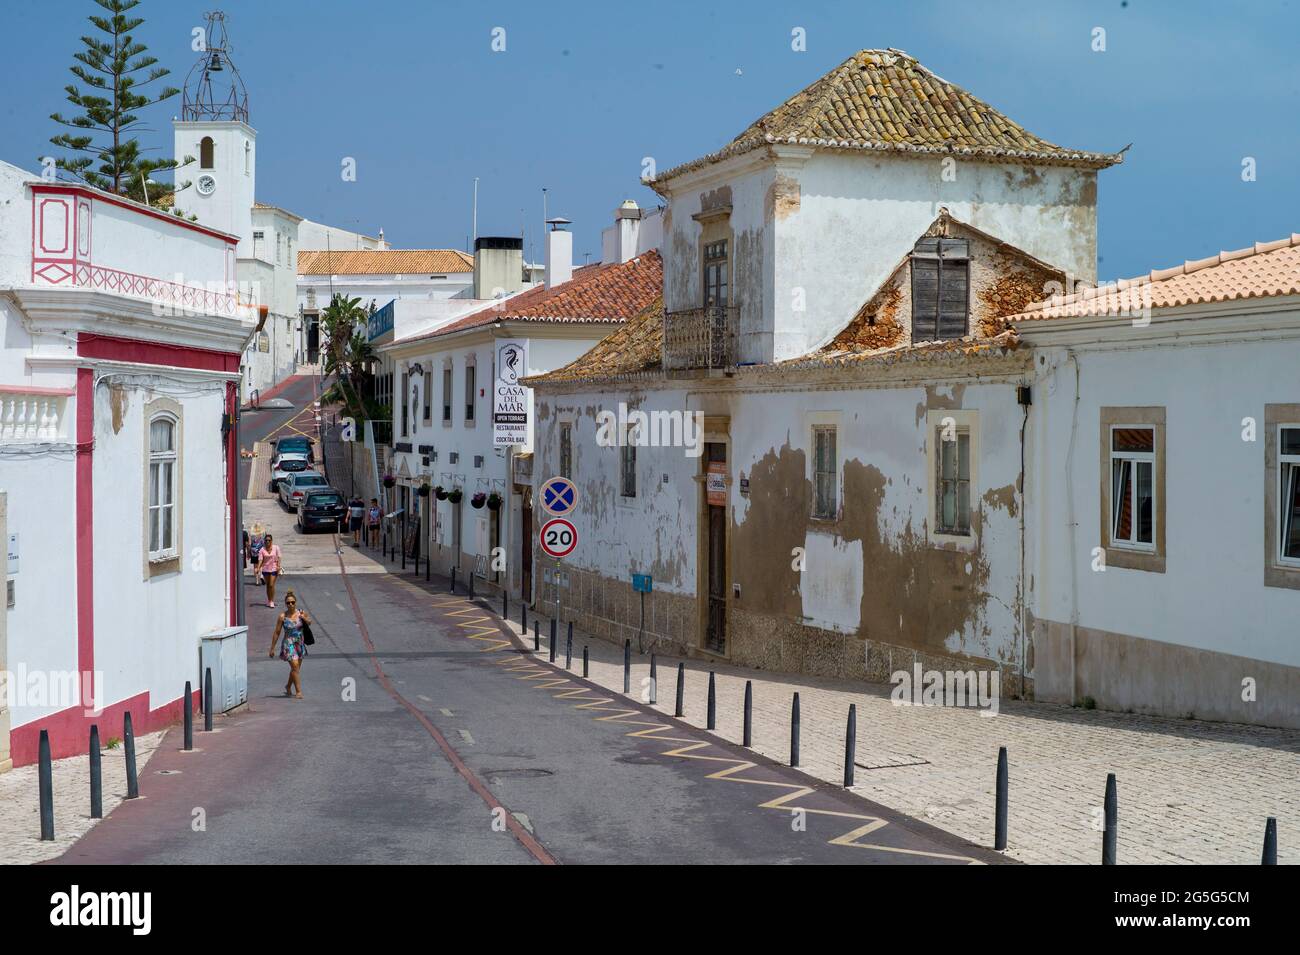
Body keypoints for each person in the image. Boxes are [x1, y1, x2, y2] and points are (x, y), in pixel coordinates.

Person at [268, 590, 310, 699]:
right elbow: (277, 632)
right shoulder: (282, 616)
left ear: (295, 602)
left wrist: (304, 618)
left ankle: (288, 686)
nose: (290, 604)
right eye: (288, 603)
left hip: (299, 643)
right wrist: (272, 648)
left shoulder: (301, 613)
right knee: (295, 666)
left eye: (292, 602)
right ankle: (298, 691)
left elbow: (309, 622)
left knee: (295, 669)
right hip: (288, 644)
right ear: (285, 604)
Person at [255, 532, 283, 607]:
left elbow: (279, 557)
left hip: (274, 568)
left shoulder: (276, 547)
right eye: (266, 540)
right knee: (268, 585)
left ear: (272, 541)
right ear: (264, 541)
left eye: (269, 540)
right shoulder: (262, 550)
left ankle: (272, 601)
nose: (267, 542)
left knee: (271, 585)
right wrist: (257, 568)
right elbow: (260, 560)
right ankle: (269, 600)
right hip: (265, 569)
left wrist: (278, 566)